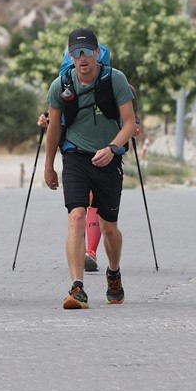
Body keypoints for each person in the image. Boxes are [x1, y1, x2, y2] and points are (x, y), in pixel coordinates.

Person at [43, 28, 141, 310]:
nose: (82, 58)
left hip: (109, 159)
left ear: (98, 53)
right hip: (75, 156)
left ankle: (113, 273)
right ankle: (78, 287)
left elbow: (129, 124)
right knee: (76, 217)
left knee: (110, 228)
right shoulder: (60, 85)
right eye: (76, 52)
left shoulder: (116, 80)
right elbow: (53, 129)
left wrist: (112, 149)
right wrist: (49, 167)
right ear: (70, 56)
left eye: (87, 52)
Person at [39, 112, 103, 271]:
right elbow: (57, 119)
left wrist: (134, 124)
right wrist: (47, 121)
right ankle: (85, 254)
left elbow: (127, 115)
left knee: (94, 201)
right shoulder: (63, 88)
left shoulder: (111, 88)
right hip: (74, 155)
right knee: (78, 209)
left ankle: (90, 252)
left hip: (102, 152)